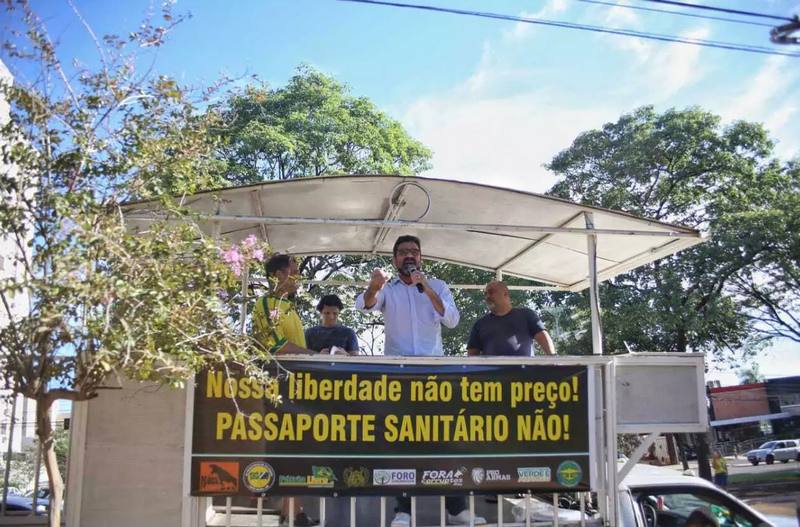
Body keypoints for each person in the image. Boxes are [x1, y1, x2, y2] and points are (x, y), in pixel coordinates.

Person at [356, 235, 484, 527]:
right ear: (395, 259)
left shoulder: (437, 286)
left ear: (421, 258)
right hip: (399, 376)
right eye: (403, 253)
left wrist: (425, 288)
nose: (409, 256)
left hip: (434, 376)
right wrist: (374, 286)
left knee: (445, 440)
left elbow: (451, 320)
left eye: (414, 252)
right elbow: (365, 305)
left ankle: (456, 509)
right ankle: (403, 511)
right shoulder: (388, 288)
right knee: (402, 442)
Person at [251, 254, 317, 527]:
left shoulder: (289, 307)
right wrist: (315, 354)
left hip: (295, 385)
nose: (298, 275)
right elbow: (276, 346)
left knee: (294, 446)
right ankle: (274, 509)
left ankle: (292, 512)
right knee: (282, 445)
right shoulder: (267, 303)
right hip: (276, 382)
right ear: (278, 274)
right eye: (294, 270)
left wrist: (316, 355)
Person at [467, 281, 556, 357]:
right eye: (485, 294)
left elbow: (542, 336)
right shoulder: (480, 324)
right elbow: (471, 356)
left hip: (525, 374)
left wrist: (554, 361)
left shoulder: (526, 315)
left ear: (505, 294)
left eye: (491, 292)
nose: (487, 297)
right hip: (493, 376)